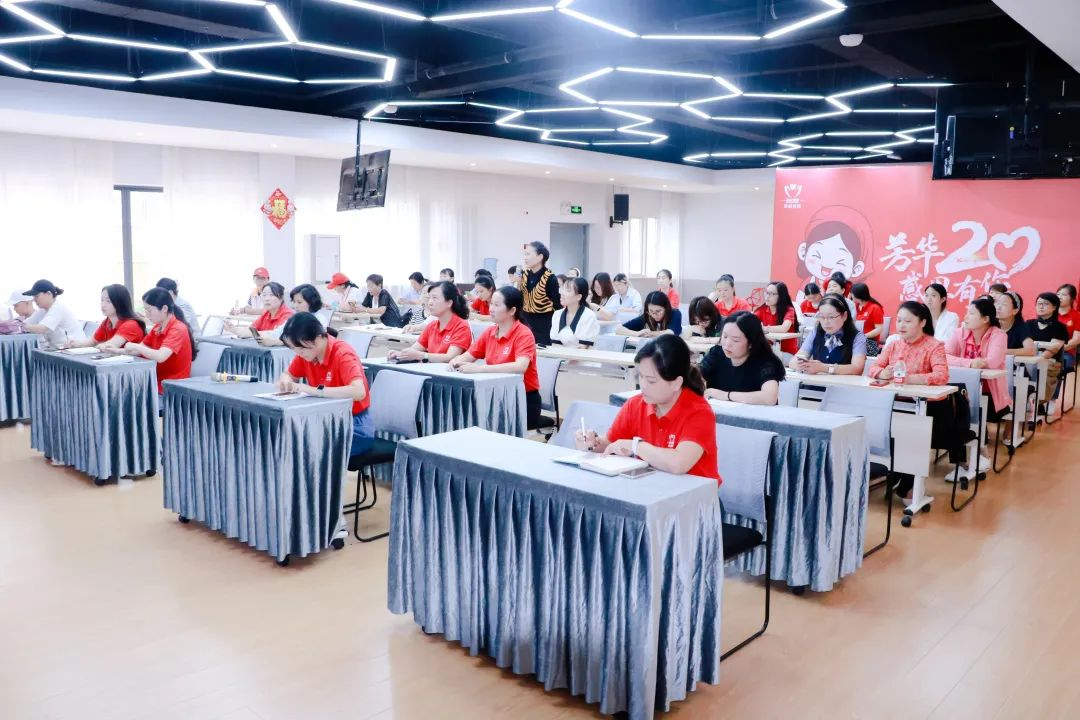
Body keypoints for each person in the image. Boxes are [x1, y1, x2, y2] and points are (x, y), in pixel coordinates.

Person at [574, 335, 720, 482]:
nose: (643, 385)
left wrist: (636, 446)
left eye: (651, 381)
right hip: (650, 488)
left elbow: (678, 463)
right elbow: (610, 444)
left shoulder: (699, 412)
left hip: (693, 494)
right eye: (640, 376)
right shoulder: (635, 405)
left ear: (676, 383)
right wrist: (592, 443)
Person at [867, 301, 949, 498]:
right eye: (899, 320)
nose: (901, 325)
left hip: (925, 406)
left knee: (911, 433)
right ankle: (894, 474)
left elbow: (941, 376)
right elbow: (873, 368)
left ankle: (908, 483)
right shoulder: (894, 344)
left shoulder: (934, 345)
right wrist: (883, 373)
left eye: (908, 321)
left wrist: (909, 378)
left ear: (922, 322)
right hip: (894, 403)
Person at [277, 313, 373, 457]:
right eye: (294, 349)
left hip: (353, 425)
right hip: (324, 421)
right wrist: (286, 381)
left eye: (301, 348)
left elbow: (359, 392)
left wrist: (313, 390)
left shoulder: (343, 353)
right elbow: (288, 374)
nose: (299, 353)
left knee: (307, 447)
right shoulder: (307, 353)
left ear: (318, 338)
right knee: (287, 439)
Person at [449, 286, 541, 429]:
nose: (491, 309)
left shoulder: (524, 333)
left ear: (512, 310)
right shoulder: (490, 332)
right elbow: (469, 355)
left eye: (497, 305)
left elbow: (520, 366)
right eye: (491, 303)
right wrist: (455, 361)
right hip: (495, 395)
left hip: (522, 399)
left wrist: (479, 369)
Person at [115, 287, 195, 394]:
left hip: (172, 389)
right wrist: (114, 351)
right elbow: (137, 351)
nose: (146, 315)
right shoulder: (158, 327)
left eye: (149, 310)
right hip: (155, 383)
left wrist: (136, 346)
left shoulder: (178, 329)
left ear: (164, 309)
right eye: (145, 310)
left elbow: (160, 356)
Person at [945, 296, 1010, 424]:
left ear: (985, 319)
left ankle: (977, 433)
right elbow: (944, 356)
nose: (966, 317)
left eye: (971, 313)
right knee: (945, 406)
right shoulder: (959, 333)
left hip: (990, 393)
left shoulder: (999, 335)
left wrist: (962, 363)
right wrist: (970, 363)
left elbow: (993, 362)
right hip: (961, 389)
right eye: (967, 313)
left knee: (962, 407)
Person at [701, 312, 786, 406]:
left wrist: (726, 395)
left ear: (751, 343)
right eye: (725, 336)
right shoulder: (716, 353)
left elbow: (769, 398)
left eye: (735, 340)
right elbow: (695, 376)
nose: (727, 344)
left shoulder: (765, 362)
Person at [388, 281, 472, 363]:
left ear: (449, 303)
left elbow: (449, 357)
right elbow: (414, 350)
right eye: (429, 298)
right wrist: (399, 354)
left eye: (434, 298)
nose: (429, 302)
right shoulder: (432, 326)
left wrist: (421, 356)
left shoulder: (461, 326)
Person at [789, 294, 866, 375]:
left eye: (831, 317)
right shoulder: (816, 332)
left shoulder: (857, 337)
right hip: (816, 382)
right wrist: (801, 364)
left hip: (843, 383)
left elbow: (857, 368)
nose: (826, 322)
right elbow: (793, 362)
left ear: (844, 316)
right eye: (822, 317)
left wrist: (824, 368)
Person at [65, 284, 145, 350]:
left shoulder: (131, 325)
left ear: (120, 302)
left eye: (108, 301)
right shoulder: (107, 322)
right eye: (102, 300)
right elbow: (92, 341)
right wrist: (75, 343)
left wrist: (98, 346)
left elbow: (109, 346)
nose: (103, 305)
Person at [1027, 292, 1070, 405]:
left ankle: (1038, 402)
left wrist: (1035, 359)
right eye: (1039, 303)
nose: (1041, 306)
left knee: (1041, 367)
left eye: (1045, 304)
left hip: (1049, 361)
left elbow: (1052, 350)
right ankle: (1020, 402)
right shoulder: (1028, 324)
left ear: (1054, 307)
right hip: (1029, 358)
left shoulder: (1060, 327)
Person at [517, 240, 562, 345]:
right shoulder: (524, 275)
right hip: (525, 323)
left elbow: (557, 305)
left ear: (540, 257)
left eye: (528, 254)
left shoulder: (550, 278)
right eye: (525, 254)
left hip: (544, 326)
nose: (525, 258)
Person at [22, 279, 86, 348]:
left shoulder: (58, 308)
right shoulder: (42, 310)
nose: (34, 300)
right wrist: (20, 325)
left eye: (37, 296)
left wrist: (23, 327)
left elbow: (41, 328)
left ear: (48, 294)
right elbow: (24, 323)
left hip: (76, 349)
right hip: (60, 350)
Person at [551, 276, 600, 347]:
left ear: (579, 297)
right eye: (562, 289)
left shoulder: (589, 315)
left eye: (568, 290)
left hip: (582, 354)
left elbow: (584, 347)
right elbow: (555, 344)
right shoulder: (557, 314)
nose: (562, 293)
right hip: (560, 354)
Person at [754, 281, 799, 355]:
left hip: (788, 353)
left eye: (772, 294)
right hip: (771, 351)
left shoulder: (789, 310)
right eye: (767, 293)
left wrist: (764, 328)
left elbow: (784, 328)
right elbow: (750, 322)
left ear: (781, 296)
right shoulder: (762, 309)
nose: (767, 296)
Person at [618, 291, 683, 338]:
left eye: (658, 311)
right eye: (651, 311)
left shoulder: (675, 313)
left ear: (666, 308)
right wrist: (637, 333)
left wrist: (651, 333)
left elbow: (670, 333)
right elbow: (619, 329)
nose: (654, 315)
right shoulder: (647, 315)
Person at [994, 291, 1034, 356]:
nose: (998, 308)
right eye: (997, 303)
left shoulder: (1021, 327)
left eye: (1004, 305)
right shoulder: (990, 325)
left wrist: (1002, 351)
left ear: (1015, 311)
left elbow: (1030, 350)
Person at [851, 282, 886, 355]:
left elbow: (879, 329)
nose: (851, 295)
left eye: (852, 293)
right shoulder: (854, 306)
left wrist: (863, 336)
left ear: (858, 295)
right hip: (856, 340)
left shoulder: (875, 308)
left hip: (870, 342)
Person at [1056, 283, 1080, 371]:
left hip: (1066, 353)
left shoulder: (1077, 316)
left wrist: (1057, 349)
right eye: (1058, 294)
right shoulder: (1050, 313)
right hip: (1045, 351)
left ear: (1072, 298)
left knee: (1054, 365)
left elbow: (1076, 340)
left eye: (1064, 295)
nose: (1059, 297)